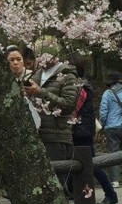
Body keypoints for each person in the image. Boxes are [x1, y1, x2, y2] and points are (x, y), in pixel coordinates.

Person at [21, 36, 79, 165]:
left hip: (56, 137)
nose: (40, 58)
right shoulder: (37, 74)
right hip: (36, 134)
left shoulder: (67, 75)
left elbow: (69, 105)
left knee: (58, 174)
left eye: (42, 55)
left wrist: (41, 93)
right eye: (38, 55)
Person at [71, 58, 117, 204]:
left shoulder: (80, 87)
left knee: (91, 164)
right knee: (81, 164)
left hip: (81, 132)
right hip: (81, 130)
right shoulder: (78, 85)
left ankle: (110, 193)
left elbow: (74, 110)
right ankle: (79, 193)